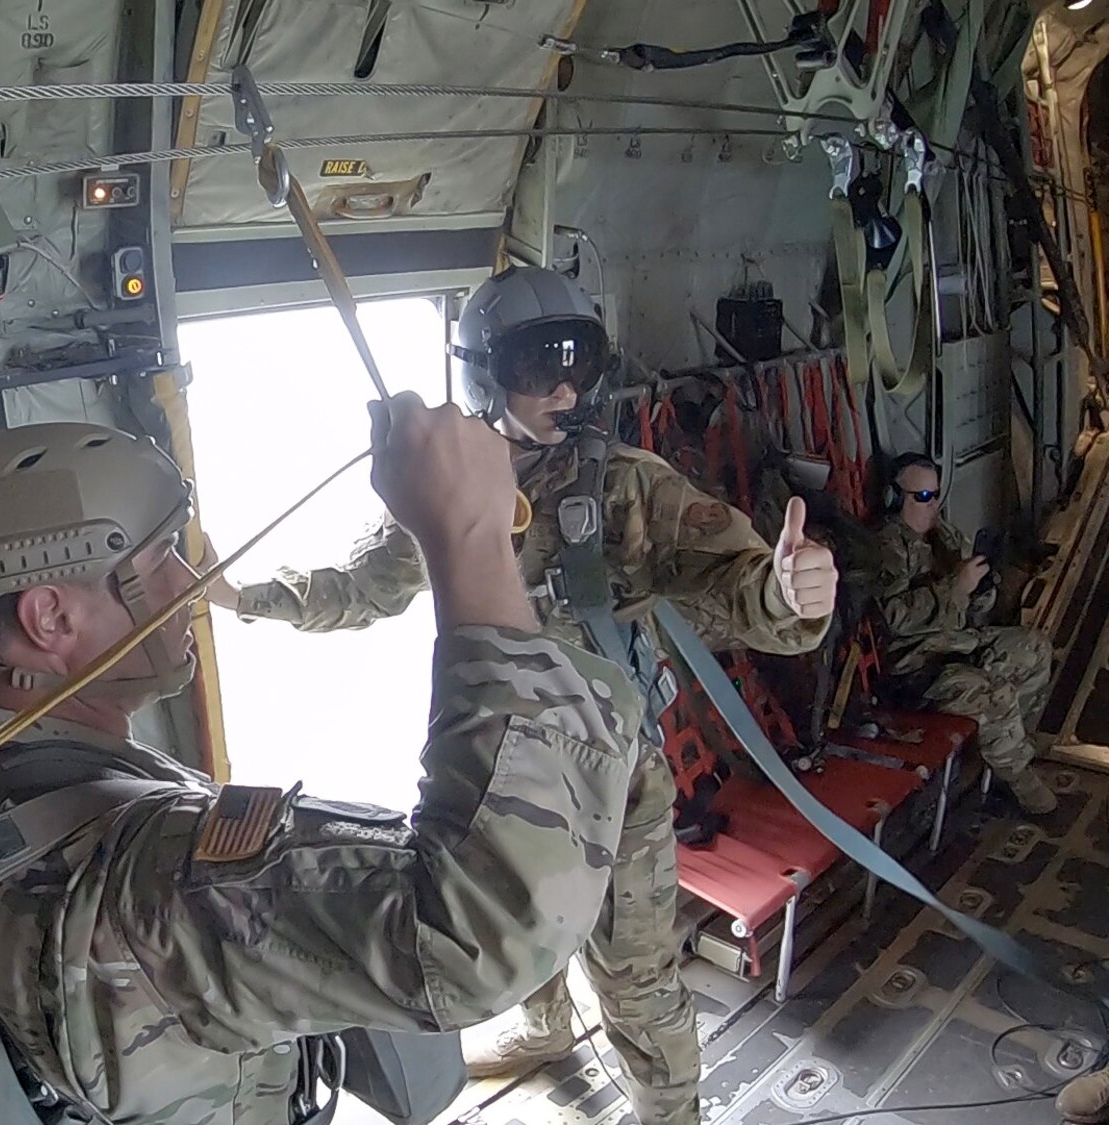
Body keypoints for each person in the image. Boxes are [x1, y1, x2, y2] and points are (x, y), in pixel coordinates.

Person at [0, 397, 645, 1123]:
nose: (188, 589)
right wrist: (471, 536)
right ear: (50, 618)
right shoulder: (149, 883)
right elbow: (490, 924)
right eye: (157, 564)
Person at [205, 266, 839, 1125]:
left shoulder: (626, 484)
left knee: (637, 978)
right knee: (516, 932)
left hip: (609, 776)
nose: (565, 387)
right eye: (537, 365)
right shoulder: (456, 476)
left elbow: (735, 578)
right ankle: (545, 1029)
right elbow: (364, 585)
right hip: (500, 765)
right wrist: (243, 598)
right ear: (485, 371)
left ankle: (674, 1115)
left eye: (579, 361)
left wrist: (792, 591)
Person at [873, 452, 1057, 815]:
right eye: (922, 497)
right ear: (895, 497)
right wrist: (955, 588)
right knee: (993, 692)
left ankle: (1011, 754)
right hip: (916, 666)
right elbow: (891, 618)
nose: (932, 505)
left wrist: (982, 587)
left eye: (936, 494)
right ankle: (1021, 781)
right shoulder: (885, 548)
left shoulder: (943, 535)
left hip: (958, 641)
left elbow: (971, 610)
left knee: (1034, 647)